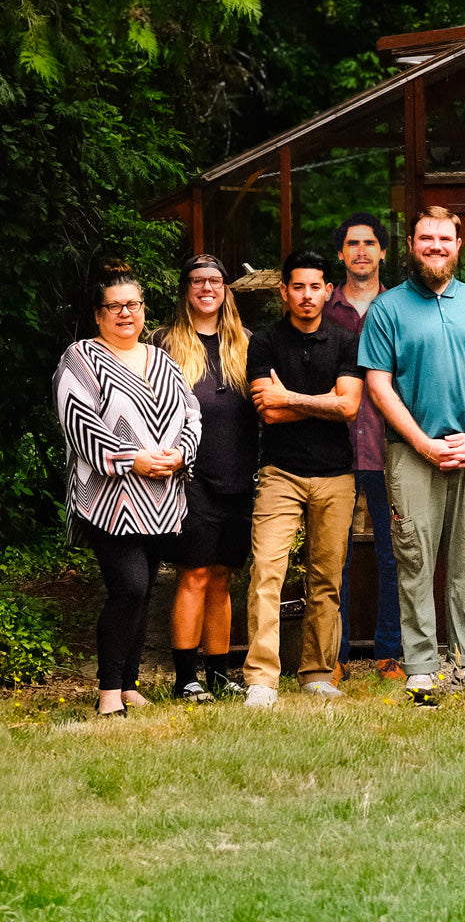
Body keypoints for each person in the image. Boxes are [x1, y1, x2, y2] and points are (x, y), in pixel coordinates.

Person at [358, 206, 465, 702]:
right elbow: (378, 385)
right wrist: (423, 443)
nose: (436, 246)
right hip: (411, 453)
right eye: (426, 237)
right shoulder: (388, 308)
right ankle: (421, 665)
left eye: (444, 238)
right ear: (410, 243)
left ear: (458, 244)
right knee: (415, 561)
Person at [53, 260, 201, 716]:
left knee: (146, 587)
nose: (125, 313)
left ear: (143, 310)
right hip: (108, 498)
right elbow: (78, 423)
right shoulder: (80, 358)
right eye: (114, 306)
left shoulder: (162, 359)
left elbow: (191, 413)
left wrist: (180, 454)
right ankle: (108, 692)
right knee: (129, 588)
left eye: (132, 304)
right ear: (98, 315)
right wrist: (131, 459)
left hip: (160, 499)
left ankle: (130, 682)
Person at [243, 249, 362, 708]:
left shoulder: (346, 340)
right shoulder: (266, 342)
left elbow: (349, 407)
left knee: (326, 578)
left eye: (316, 286)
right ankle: (261, 677)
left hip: (336, 476)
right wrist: (322, 401)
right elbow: (267, 413)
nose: (307, 295)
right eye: (298, 287)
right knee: (267, 572)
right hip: (280, 473)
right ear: (284, 292)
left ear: (328, 290)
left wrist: (290, 396)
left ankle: (315, 671)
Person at [151, 254, 259, 701]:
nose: (207, 288)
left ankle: (218, 673)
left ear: (226, 289)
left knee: (222, 576)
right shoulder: (163, 343)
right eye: (197, 281)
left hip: (239, 474)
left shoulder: (247, 342)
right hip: (189, 478)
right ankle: (185, 677)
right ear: (185, 290)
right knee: (193, 572)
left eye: (215, 280)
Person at [324, 212, 405, 684]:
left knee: (391, 554)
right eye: (352, 244)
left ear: (383, 252)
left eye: (369, 243)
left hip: (388, 448)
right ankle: (334, 654)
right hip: (332, 452)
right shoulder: (321, 307)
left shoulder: (400, 307)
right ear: (341, 253)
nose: (360, 251)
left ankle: (389, 652)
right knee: (336, 555)